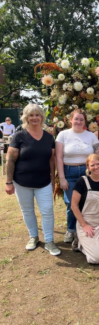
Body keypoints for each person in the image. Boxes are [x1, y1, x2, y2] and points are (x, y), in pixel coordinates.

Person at [4, 104, 60, 255]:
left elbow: (52, 160)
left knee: (47, 211)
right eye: (31, 115)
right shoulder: (19, 136)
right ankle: (33, 237)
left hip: (44, 182)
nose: (34, 118)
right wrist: (8, 182)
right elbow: (10, 160)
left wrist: (53, 179)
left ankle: (49, 241)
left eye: (37, 115)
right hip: (21, 182)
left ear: (42, 117)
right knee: (27, 210)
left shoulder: (49, 137)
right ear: (26, 117)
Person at [56, 109, 99, 243]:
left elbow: (98, 154)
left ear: (85, 121)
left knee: (87, 203)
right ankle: (71, 230)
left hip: (87, 172)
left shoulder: (91, 136)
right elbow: (58, 158)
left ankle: (82, 230)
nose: (79, 121)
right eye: (76, 119)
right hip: (69, 172)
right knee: (71, 203)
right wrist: (62, 178)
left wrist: (98, 173)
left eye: (81, 119)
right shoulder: (63, 135)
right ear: (70, 120)